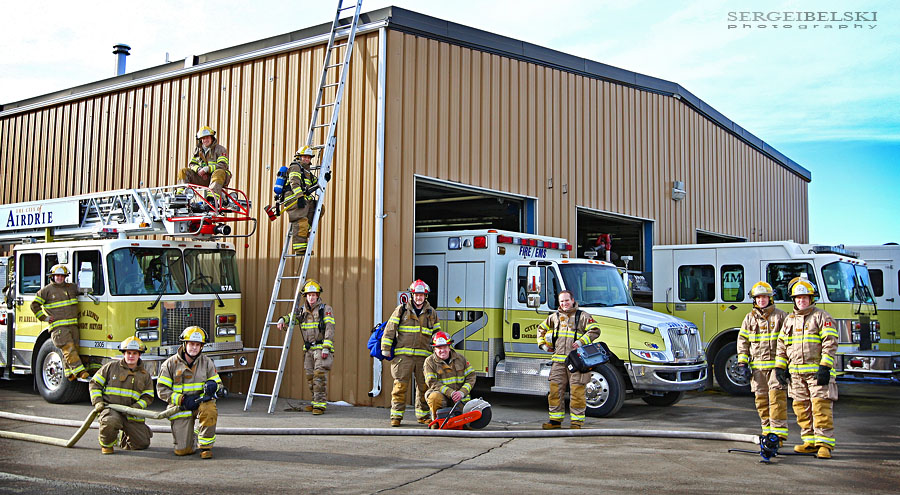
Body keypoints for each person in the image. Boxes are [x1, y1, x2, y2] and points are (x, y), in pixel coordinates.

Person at [775, 277, 839, 459]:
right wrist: (780, 368)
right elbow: (782, 346)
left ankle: (824, 444)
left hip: (817, 374)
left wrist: (825, 367)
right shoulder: (789, 320)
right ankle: (810, 442)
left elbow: (830, 343)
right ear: (793, 299)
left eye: (805, 297)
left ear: (812, 299)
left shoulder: (821, 317)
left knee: (820, 407)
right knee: (801, 408)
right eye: (798, 298)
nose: (801, 301)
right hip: (796, 374)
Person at [536, 290, 601, 429]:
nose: (564, 304)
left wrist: (581, 342)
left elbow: (595, 330)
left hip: (577, 362)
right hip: (558, 362)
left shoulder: (583, 316)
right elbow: (540, 329)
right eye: (561, 301)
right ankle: (555, 421)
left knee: (577, 392)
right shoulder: (554, 317)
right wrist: (543, 346)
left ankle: (576, 423)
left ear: (573, 300)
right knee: (554, 392)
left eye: (566, 300)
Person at [381, 279, 441, 427]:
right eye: (416, 295)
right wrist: (386, 348)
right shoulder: (402, 310)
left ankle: (423, 416)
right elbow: (390, 329)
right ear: (412, 295)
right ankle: (396, 416)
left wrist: (438, 353)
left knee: (424, 387)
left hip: (424, 357)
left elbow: (436, 333)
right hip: (403, 357)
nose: (419, 297)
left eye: (421, 295)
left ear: (425, 296)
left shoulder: (431, 312)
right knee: (400, 387)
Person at [156, 326, 222, 459]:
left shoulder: (206, 362)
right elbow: (162, 390)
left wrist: (213, 386)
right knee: (182, 451)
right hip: (181, 407)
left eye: (198, 345)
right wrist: (182, 400)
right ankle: (193, 435)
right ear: (184, 344)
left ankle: (205, 447)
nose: (194, 348)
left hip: (201, 404)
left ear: (202, 347)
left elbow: (219, 385)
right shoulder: (170, 364)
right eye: (191, 344)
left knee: (210, 409)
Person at [736, 281, 789, 443]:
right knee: (761, 401)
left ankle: (777, 436)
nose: (761, 301)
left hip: (775, 368)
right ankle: (767, 432)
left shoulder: (781, 316)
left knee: (776, 401)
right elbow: (743, 341)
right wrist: (742, 364)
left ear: (770, 298)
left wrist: (784, 366)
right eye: (758, 298)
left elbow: (787, 341)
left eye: (764, 297)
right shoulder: (749, 318)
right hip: (757, 369)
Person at [277, 279, 335, 414]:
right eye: (309, 295)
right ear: (306, 296)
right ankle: (315, 402)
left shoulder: (325, 310)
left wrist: (326, 347)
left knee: (319, 376)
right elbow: (292, 318)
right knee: (310, 378)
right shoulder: (302, 311)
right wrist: (282, 320)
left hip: (321, 349)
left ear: (318, 295)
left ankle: (320, 405)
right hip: (309, 350)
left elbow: (330, 329)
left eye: (314, 295)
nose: (311, 297)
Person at [89, 337, 154, 454]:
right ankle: (107, 444)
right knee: (110, 422)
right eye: (128, 353)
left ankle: (120, 437)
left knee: (142, 443)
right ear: (124, 353)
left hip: (131, 412)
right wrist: (98, 402)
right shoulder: (111, 367)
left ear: (139, 355)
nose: (131, 356)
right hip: (111, 409)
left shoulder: (145, 375)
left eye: (134, 353)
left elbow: (148, 396)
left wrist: (136, 408)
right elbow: (95, 384)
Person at [31, 264, 89, 380]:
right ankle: (80, 372)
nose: (60, 278)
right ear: (52, 277)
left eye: (62, 276)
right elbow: (34, 305)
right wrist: (44, 318)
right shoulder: (46, 291)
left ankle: (69, 373)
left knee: (75, 348)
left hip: (73, 326)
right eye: (57, 275)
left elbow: (84, 289)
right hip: (59, 327)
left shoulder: (71, 287)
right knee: (68, 349)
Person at [424, 331, 475, 427]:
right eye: (438, 347)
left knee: (466, 425)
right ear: (434, 349)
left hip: (459, 397)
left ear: (449, 347)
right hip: (442, 395)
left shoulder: (460, 359)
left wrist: (462, 392)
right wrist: (451, 393)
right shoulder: (429, 362)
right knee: (434, 398)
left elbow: (471, 377)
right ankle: (437, 423)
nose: (442, 350)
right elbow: (432, 382)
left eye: (444, 347)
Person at [177, 126, 231, 208]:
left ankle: (212, 199)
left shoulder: (220, 149)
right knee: (183, 171)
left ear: (212, 138)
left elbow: (223, 165)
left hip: (217, 179)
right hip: (203, 178)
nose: (205, 140)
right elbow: (192, 164)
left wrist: (207, 169)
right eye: (203, 138)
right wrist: (198, 169)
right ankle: (180, 197)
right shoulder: (198, 150)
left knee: (219, 172)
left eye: (207, 137)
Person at [282, 146, 319, 255]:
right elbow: (294, 183)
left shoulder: (306, 171)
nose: (307, 159)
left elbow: (313, 182)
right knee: (301, 221)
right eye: (305, 157)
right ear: (299, 157)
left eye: (308, 157)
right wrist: (299, 197)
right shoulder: (295, 167)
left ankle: (303, 232)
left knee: (318, 209)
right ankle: (300, 248)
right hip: (293, 198)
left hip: (302, 199)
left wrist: (325, 178)